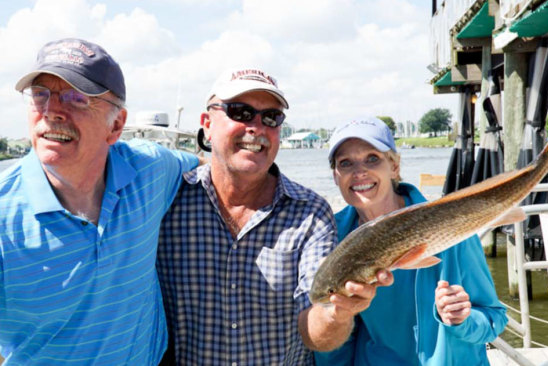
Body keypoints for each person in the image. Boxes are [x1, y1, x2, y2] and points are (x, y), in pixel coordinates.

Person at [156, 68, 391, 365]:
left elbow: (317, 334)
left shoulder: (310, 213)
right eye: (240, 112)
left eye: (270, 117)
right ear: (207, 124)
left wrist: (338, 311)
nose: (256, 127)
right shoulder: (168, 199)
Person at [0, 38, 200, 365]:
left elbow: (205, 168)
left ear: (116, 126)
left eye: (76, 98)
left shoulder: (149, 169)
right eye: (40, 95)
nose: (51, 111)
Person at [315, 117, 508, 366]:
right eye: (346, 163)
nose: (359, 171)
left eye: (372, 158)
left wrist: (462, 320)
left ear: (394, 166)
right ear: (335, 175)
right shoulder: (332, 237)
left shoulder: (447, 223)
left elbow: (494, 318)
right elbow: (338, 343)